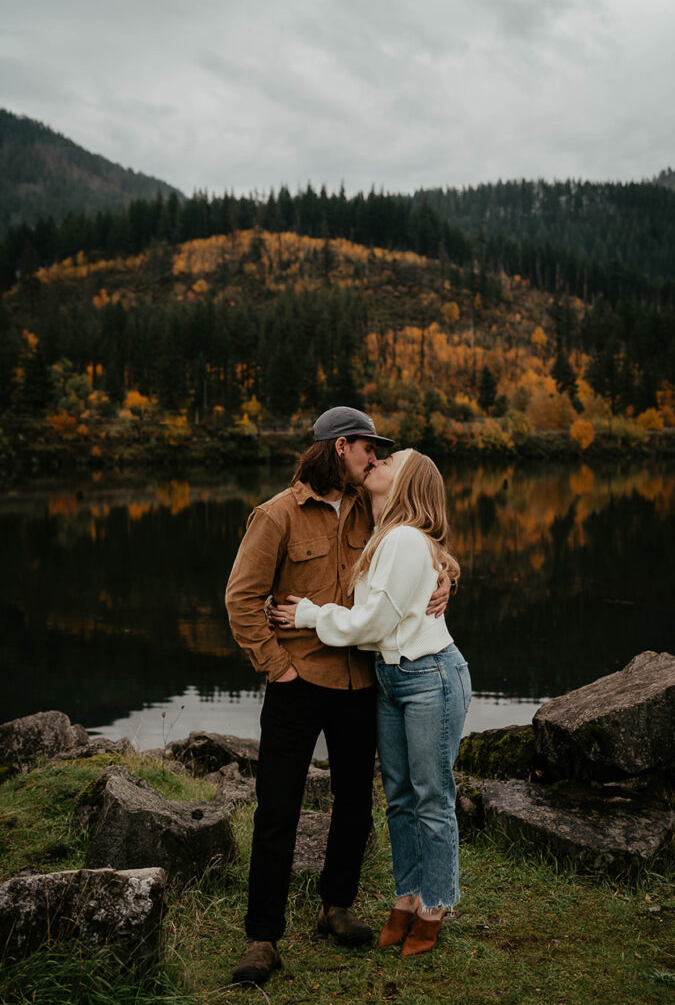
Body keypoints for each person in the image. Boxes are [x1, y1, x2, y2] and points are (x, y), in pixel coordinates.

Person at [224, 408, 449, 986]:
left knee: (356, 804)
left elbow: (424, 543)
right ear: (340, 446)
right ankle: (262, 937)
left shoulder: (372, 512)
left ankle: (336, 907)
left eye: (378, 453)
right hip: (296, 685)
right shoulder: (275, 516)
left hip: (361, 684)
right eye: (367, 449)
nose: (374, 459)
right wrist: (277, 668)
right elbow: (241, 600)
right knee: (278, 810)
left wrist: (449, 573)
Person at [272, 447, 470, 958]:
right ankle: (405, 898)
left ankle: (435, 905)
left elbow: (372, 624)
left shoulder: (403, 538)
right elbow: (373, 626)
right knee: (400, 797)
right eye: (375, 456)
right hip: (390, 677)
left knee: (431, 796)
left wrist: (309, 616)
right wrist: (440, 573)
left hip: (429, 676)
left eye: (390, 460)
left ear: (405, 481)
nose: (377, 461)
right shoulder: (384, 532)